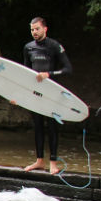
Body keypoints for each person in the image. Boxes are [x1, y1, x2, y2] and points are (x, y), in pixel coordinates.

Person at [21, 16, 73, 175]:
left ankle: (53, 163)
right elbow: (24, 73)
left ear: (45, 29)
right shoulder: (28, 47)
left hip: (52, 93)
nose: (34, 32)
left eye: (37, 29)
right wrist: (20, 94)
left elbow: (68, 69)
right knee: (37, 126)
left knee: (52, 127)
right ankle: (39, 161)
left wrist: (48, 74)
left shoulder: (54, 46)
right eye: (32, 29)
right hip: (36, 94)